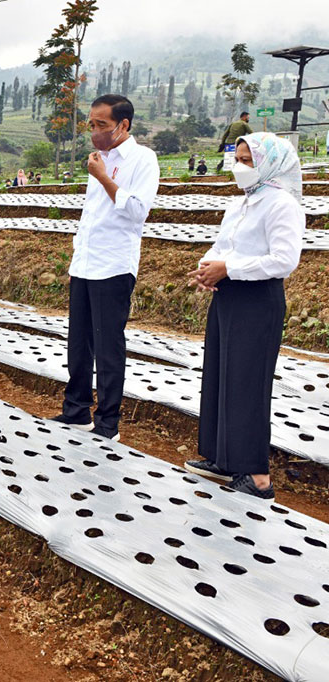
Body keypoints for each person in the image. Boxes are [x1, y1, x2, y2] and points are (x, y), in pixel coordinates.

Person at [184, 133, 304, 500]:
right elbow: (223, 246)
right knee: (221, 374)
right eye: (237, 158)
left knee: (248, 383)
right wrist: (208, 267)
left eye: (248, 160)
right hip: (229, 294)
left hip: (257, 299)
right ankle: (224, 458)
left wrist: (229, 268)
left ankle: (256, 474)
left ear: (271, 163)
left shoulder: (282, 204)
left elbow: (284, 260)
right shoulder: (240, 205)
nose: (240, 166)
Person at [51, 94, 160, 441]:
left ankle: (108, 422)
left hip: (113, 266)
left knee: (108, 347)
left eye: (102, 125)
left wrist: (102, 177)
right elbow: (93, 216)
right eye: (92, 124)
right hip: (85, 263)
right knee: (78, 343)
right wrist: (76, 257)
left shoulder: (143, 160)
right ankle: (76, 410)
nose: (95, 131)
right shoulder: (99, 158)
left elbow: (138, 211)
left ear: (123, 125)